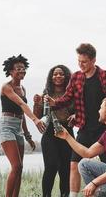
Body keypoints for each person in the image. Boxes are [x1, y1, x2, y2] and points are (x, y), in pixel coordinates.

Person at [45, 43, 106, 197]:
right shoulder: (76, 77)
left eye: (84, 62)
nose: (80, 65)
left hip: (104, 130)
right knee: (73, 164)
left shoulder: (105, 76)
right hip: (85, 127)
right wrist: (54, 103)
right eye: (79, 61)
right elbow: (67, 98)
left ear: (93, 60)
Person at [0, 54, 46, 197]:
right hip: (6, 127)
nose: (21, 71)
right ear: (11, 71)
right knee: (16, 166)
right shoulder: (6, 87)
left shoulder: (23, 89)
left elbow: (21, 112)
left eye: (23, 69)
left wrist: (28, 136)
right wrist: (36, 120)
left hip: (18, 127)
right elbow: (21, 103)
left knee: (20, 168)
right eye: (18, 69)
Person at [33, 65, 75, 197]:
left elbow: (79, 111)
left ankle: (65, 195)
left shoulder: (71, 93)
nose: (58, 76)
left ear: (66, 76)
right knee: (51, 167)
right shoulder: (46, 93)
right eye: (55, 74)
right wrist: (36, 103)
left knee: (65, 169)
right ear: (51, 77)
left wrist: (75, 116)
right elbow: (39, 116)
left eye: (61, 74)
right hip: (50, 132)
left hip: (66, 131)